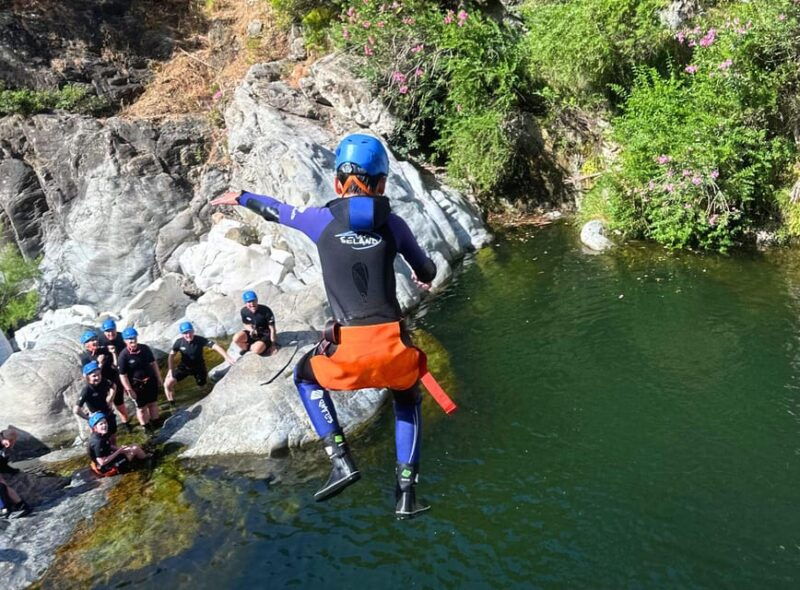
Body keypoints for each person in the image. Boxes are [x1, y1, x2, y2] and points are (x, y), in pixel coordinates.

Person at [212, 134, 437, 519]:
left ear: (337, 184)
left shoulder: (321, 220)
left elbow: (277, 210)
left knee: (304, 376)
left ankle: (340, 459)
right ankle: (406, 493)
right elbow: (427, 269)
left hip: (345, 351)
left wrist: (243, 196)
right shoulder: (395, 225)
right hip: (393, 349)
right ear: (382, 184)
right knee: (406, 396)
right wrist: (421, 275)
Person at [164, 321, 236, 402]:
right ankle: (172, 404)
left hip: (199, 368)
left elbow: (215, 347)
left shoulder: (199, 340)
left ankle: (206, 400)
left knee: (203, 388)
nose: (188, 335)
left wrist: (227, 357)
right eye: (185, 333)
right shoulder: (179, 342)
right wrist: (170, 371)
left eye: (189, 332)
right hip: (184, 368)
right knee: (167, 384)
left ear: (193, 331)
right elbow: (171, 355)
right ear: (182, 334)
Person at [80, 329, 131, 432]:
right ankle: (101, 432)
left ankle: (127, 425)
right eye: (91, 340)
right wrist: (99, 363)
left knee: (120, 405)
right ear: (85, 344)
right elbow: (88, 375)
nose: (94, 342)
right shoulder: (85, 357)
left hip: (112, 379)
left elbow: (115, 364)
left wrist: (113, 353)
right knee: (100, 411)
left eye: (95, 339)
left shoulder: (104, 349)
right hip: (99, 387)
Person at [117, 327, 163, 433]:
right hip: (137, 386)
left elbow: (153, 363)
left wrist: (159, 378)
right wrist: (129, 390)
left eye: (133, 338)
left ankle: (156, 423)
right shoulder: (123, 356)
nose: (132, 340)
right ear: (125, 341)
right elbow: (122, 375)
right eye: (129, 339)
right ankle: (146, 427)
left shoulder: (145, 349)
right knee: (141, 408)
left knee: (153, 403)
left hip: (151, 381)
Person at [74, 361, 118, 443]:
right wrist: (89, 419)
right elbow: (76, 410)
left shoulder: (104, 381)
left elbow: (114, 386)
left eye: (99, 375)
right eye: (94, 376)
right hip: (97, 418)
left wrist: (111, 398)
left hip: (108, 413)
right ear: (87, 377)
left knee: (112, 435)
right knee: (101, 440)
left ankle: (114, 451)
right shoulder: (87, 390)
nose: (98, 378)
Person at [233, 291, 278, 356]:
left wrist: (273, 344)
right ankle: (248, 348)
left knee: (256, 350)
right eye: (249, 302)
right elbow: (245, 324)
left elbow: (272, 329)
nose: (252, 304)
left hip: (266, 334)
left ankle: (256, 346)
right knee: (236, 338)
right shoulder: (244, 311)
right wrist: (251, 330)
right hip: (254, 332)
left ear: (257, 300)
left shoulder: (265, 311)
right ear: (245, 303)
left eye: (253, 301)